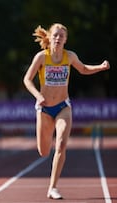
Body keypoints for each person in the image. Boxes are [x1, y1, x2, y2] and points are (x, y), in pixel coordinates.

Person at [23, 23, 110, 200]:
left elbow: (84, 69)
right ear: (50, 37)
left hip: (63, 107)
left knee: (62, 144)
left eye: (61, 36)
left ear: (65, 39)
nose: (58, 38)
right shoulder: (42, 57)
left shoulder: (69, 56)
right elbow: (27, 79)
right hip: (45, 109)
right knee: (44, 151)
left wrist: (100, 67)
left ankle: (53, 187)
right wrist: (38, 95)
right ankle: (51, 181)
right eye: (55, 35)